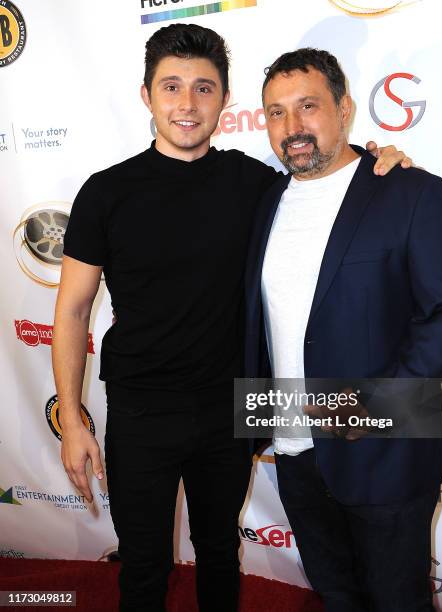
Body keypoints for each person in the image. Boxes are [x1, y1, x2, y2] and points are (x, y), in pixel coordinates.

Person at [52, 24, 410, 612]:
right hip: (142, 412)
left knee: (220, 552)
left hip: (231, 408)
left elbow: (328, 182)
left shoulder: (256, 185)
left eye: (203, 88)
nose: (187, 105)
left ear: (223, 99)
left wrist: (382, 161)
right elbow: (69, 310)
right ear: (146, 96)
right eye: (171, 87)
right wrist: (72, 415)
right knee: (144, 564)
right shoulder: (105, 193)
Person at [245, 48, 442, 611]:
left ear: (344, 108)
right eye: (276, 112)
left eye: (308, 106)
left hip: (386, 451)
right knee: (336, 596)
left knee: (398, 600)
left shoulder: (412, 192)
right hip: (295, 451)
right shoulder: (264, 201)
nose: (292, 127)